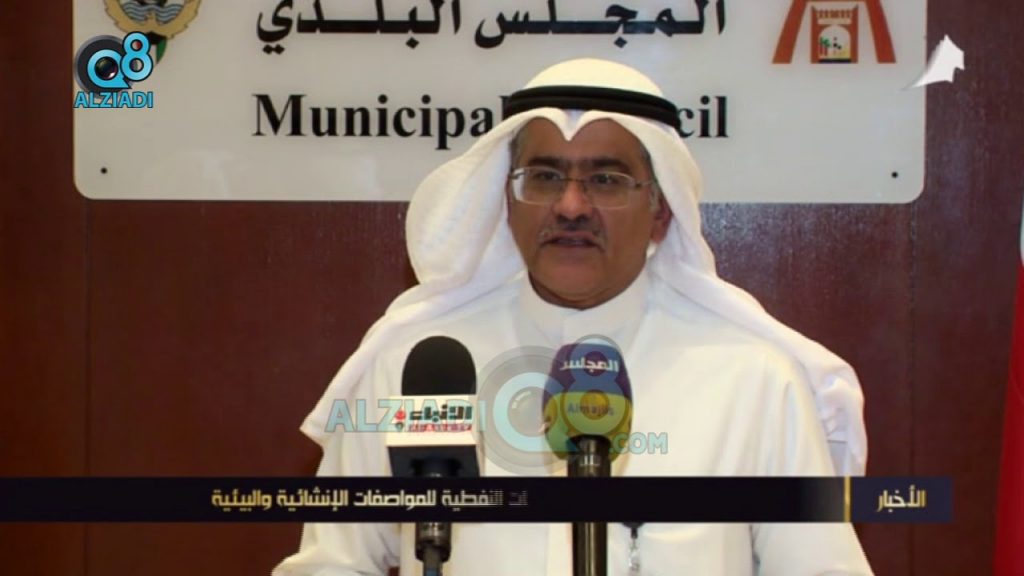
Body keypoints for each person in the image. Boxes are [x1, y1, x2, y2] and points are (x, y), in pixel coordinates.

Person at [274, 58, 873, 575]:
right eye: (544, 177)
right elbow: (332, 562)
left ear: (660, 209)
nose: (569, 206)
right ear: (507, 201)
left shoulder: (753, 381)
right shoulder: (418, 367)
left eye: (606, 180)